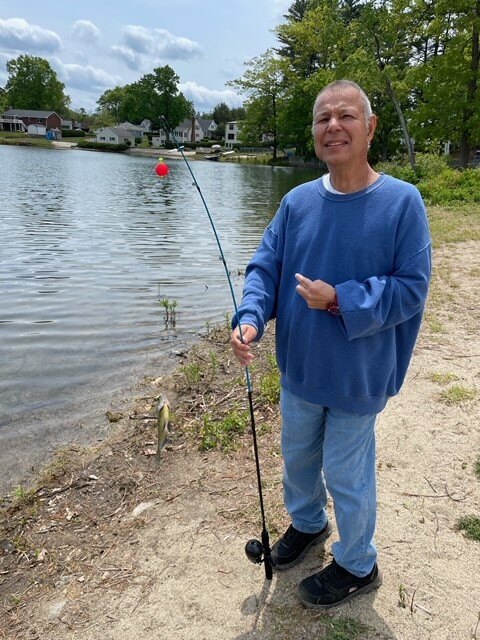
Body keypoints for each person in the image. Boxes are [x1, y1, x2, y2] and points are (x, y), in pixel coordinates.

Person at [230, 80, 432, 609]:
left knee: (347, 470)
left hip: (357, 376)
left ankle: (358, 563)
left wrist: (339, 299)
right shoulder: (297, 201)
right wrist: (251, 317)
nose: (333, 126)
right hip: (299, 369)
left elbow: (411, 289)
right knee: (297, 458)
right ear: (315, 133)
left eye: (346, 116)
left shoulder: (402, 202)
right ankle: (308, 524)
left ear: (370, 128)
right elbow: (265, 267)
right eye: (323, 118)